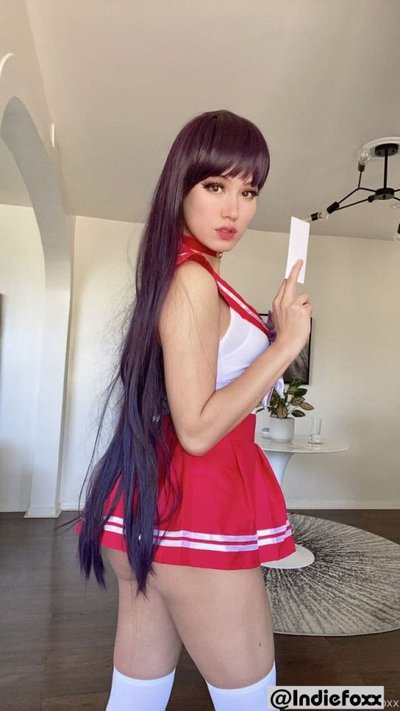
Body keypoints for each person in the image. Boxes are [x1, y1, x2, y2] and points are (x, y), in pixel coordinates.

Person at [78, 109, 312, 711]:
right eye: (215, 185)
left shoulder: (195, 274)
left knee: (136, 699)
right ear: (181, 187)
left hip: (156, 499)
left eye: (249, 192)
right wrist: (285, 345)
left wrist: (270, 330)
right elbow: (199, 429)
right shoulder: (192, 280)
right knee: (252, 702)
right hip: (197, 506)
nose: (234, 209)